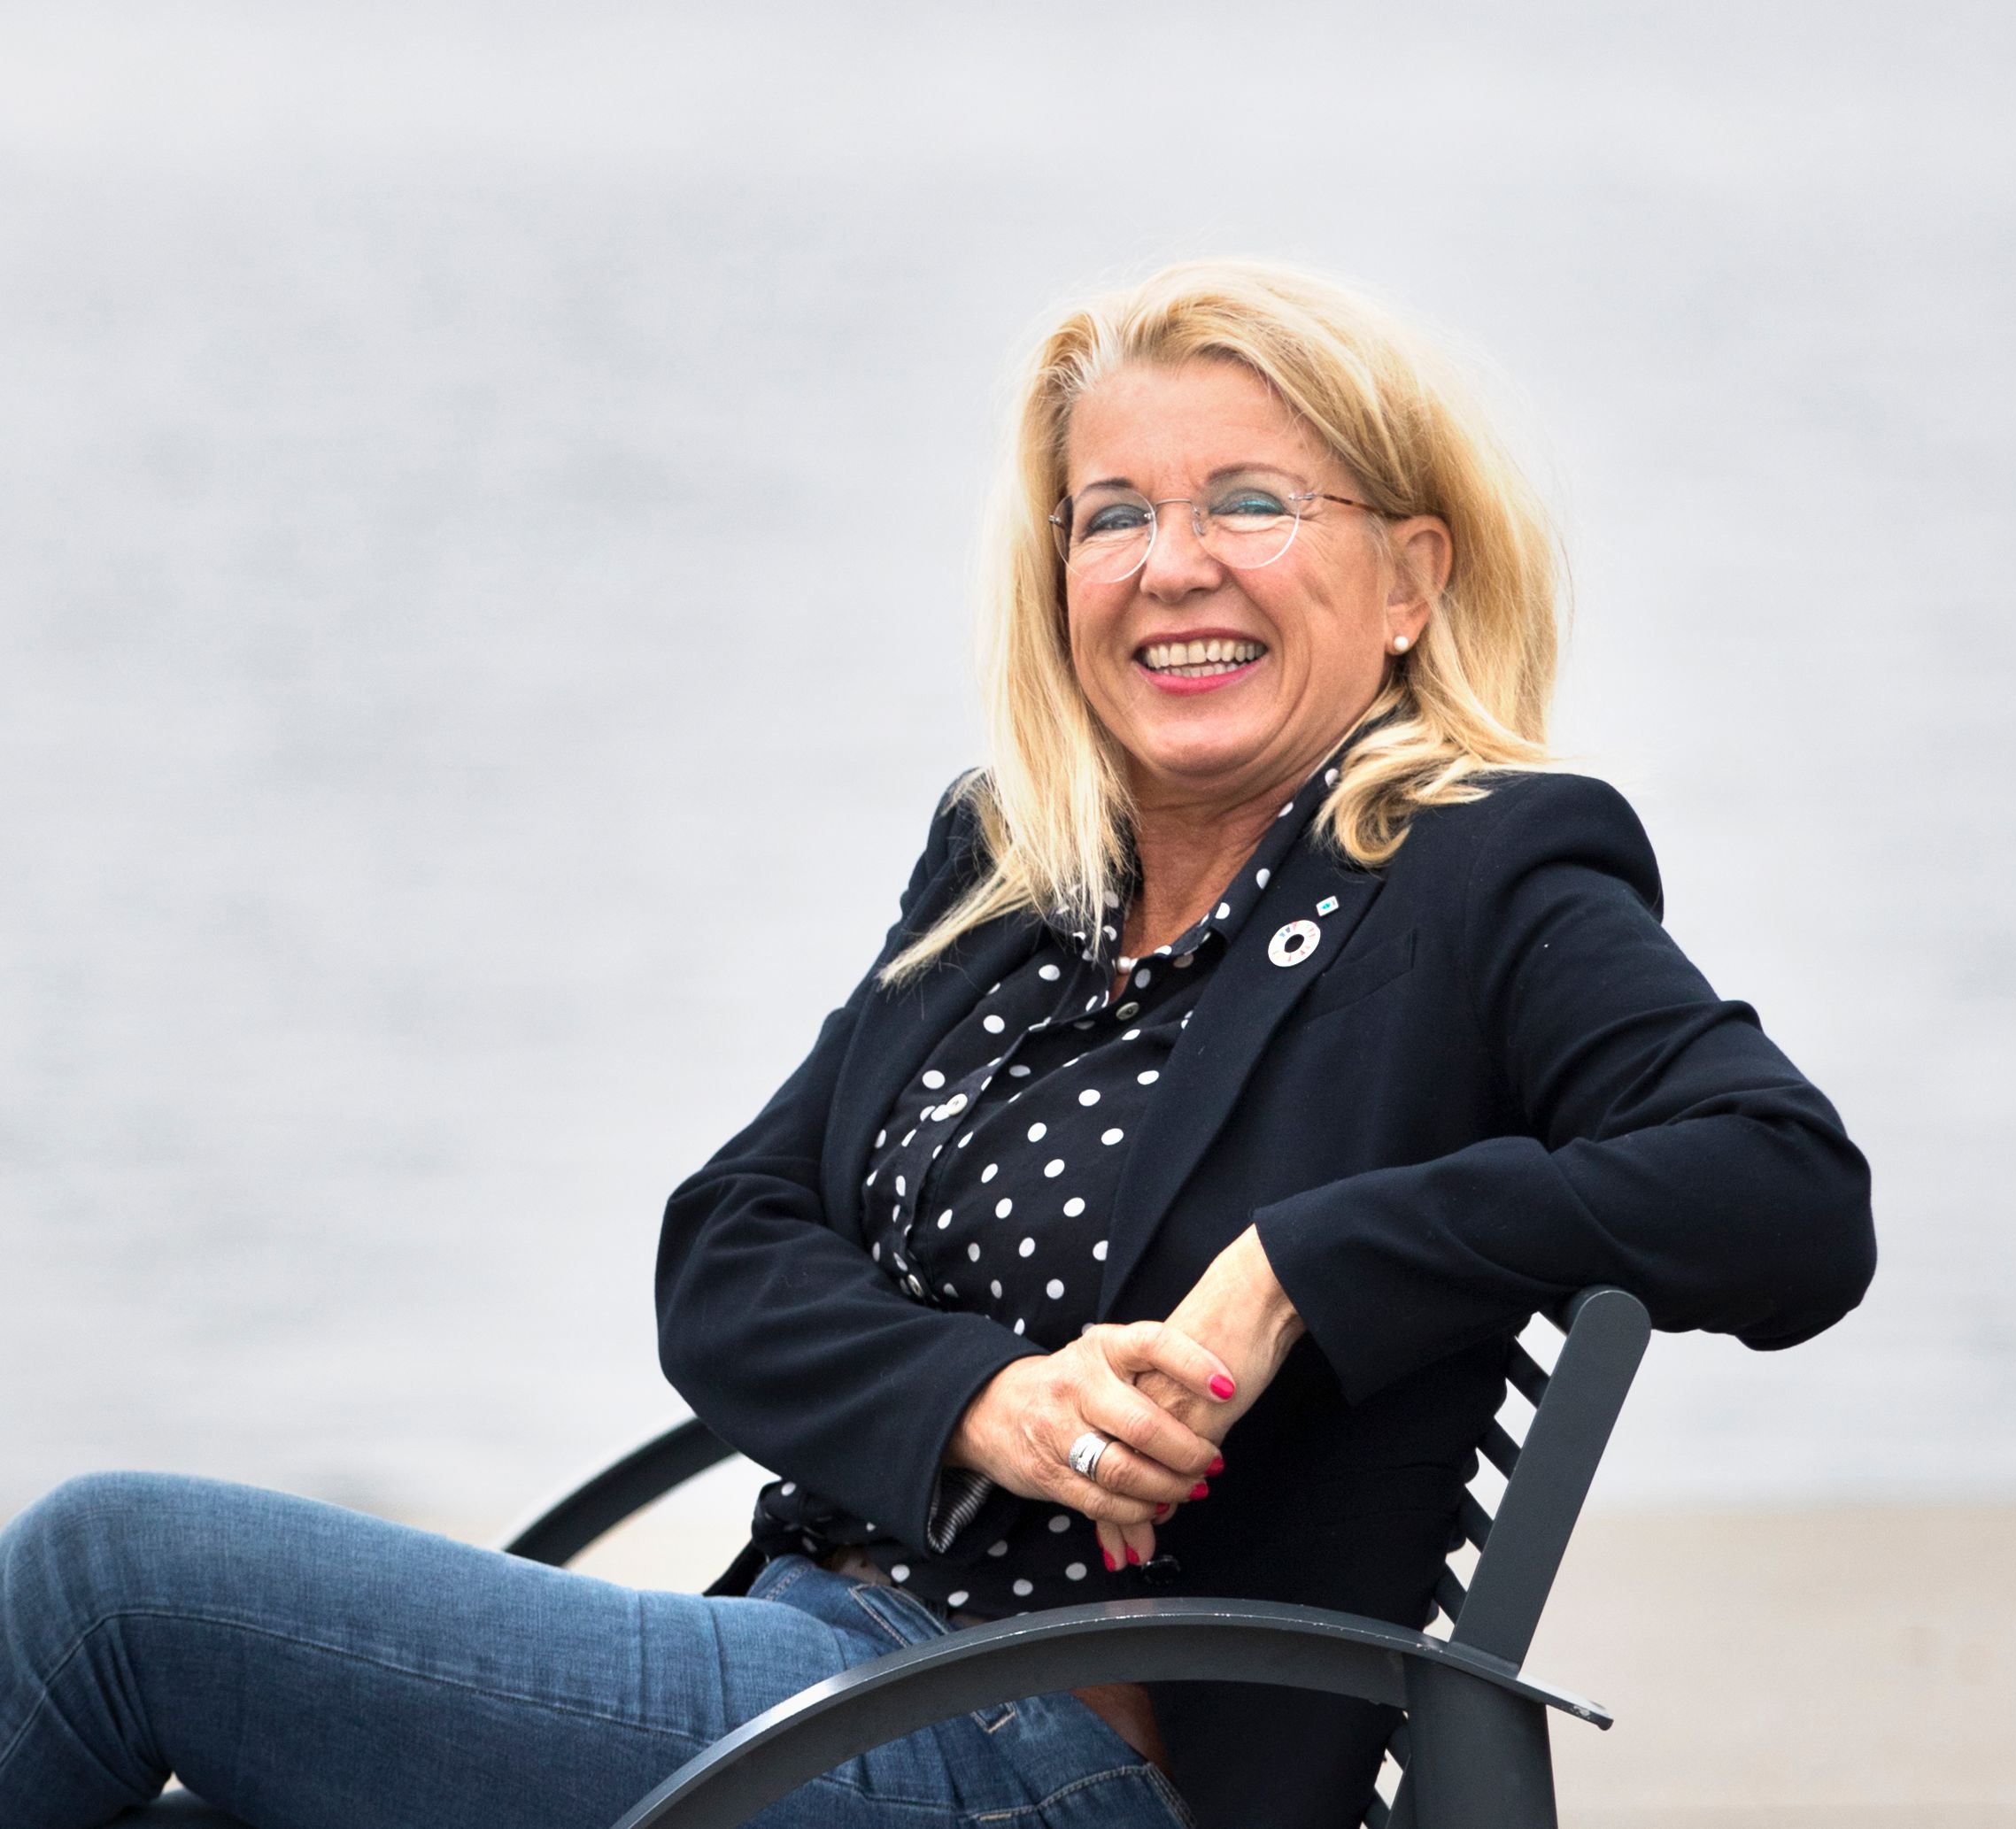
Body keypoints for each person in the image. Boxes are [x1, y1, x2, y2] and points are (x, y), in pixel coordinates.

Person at [0, 259, 1874, 1829]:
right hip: (816, 1670)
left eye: (1248, 502)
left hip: (1033, 1751)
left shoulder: (1476, 879)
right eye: (1113, 514)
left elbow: (1782, 1190)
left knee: (110, 1581)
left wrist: (1301, 1264)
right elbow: (727, 1243)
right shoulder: (1014, 869)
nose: (1171, 565)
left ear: (1407, 580)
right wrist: (984, 1401)